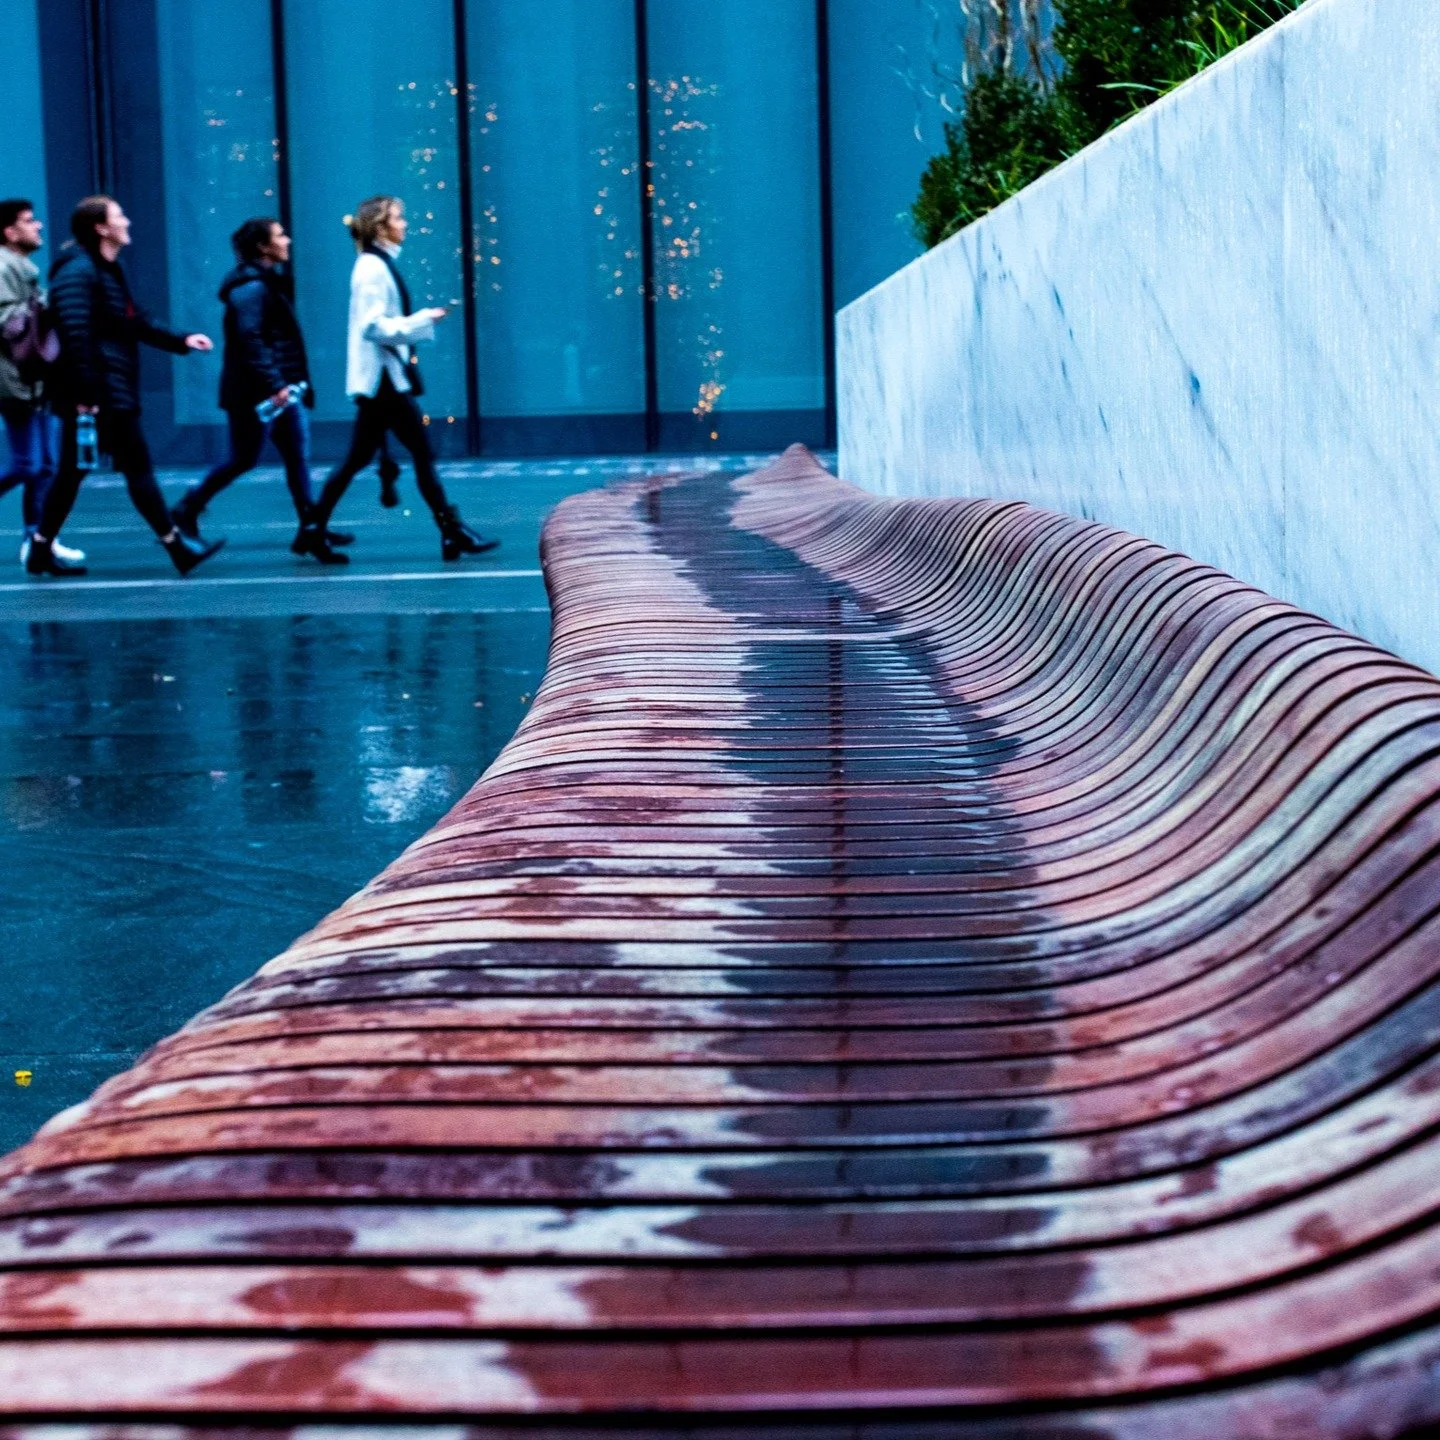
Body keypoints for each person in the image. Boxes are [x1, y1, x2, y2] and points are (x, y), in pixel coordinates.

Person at [28, 195, 222, 578]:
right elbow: (74, 333)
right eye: (119, 216)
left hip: (105, 389)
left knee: (73, 473)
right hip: (100, 393)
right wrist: (86, 395)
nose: (127, 221)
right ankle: (176, 546)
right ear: (101, 228)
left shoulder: (105, 271)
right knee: (135, 468)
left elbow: (134, 322)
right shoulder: (79, 273)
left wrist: (181, 340)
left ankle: (40, 549)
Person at [306, 195, 496, 561]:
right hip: (383, 382)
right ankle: (452, 532)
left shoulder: (376, 265)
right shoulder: (372, 269)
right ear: (380, 227)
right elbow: (372, 327)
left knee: (361, 458)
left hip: (383, 380)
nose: (404, 224)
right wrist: (423, 320)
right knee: (418, 452)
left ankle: (314, 529)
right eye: (398, 218)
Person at [169, 216, 350, 564]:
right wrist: (274, 384)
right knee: (244, 457)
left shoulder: (264, 284)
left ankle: (311, 528)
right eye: (280, 235)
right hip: (259, 392)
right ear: (263, 247)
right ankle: (185, 509)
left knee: (297, 455)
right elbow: (250, 340)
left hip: (278, 389)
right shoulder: (251, 288)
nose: (288, 241)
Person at [0, 199, 84, 569]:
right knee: (27, 464)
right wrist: (47, 307)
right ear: (9, 231)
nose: (39, 227)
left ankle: (37, 538)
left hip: (33, 379)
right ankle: (36, 537)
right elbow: (8, 323)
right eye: (29, 221)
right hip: (14, 380)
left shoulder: (22, 267)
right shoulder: (3, 267)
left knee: (46, 464)